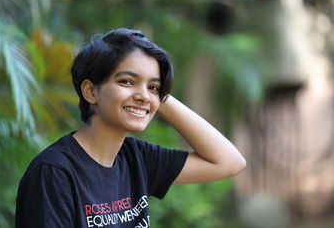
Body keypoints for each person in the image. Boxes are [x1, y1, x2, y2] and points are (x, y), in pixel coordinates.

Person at [15, 28, 246, 227]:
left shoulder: (136, 158)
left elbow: (229, 161)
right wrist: (148, 91)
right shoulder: (55, 172)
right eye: (126, 81)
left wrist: (156, 96)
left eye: (153, 86)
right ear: (91, 91)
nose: (144, 96)